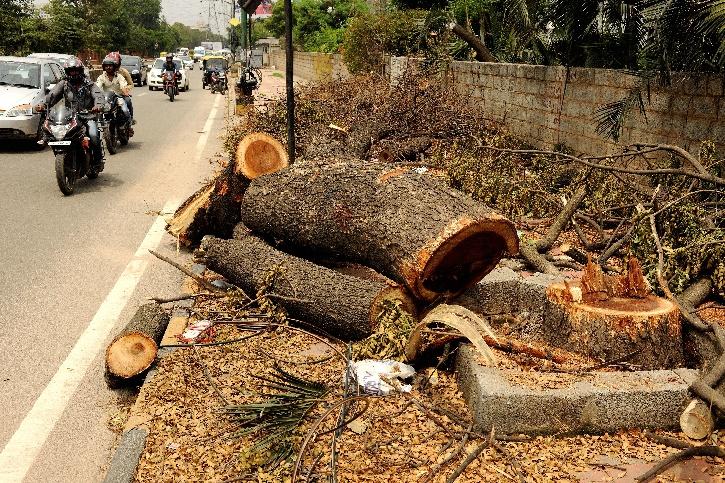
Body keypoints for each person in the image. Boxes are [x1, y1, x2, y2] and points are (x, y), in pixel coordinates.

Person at [39, 58, 105, 169]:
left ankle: (97, 161)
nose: (73, 73)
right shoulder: (64, 84)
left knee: (93, 135)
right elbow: (52, 96)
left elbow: (98, 96)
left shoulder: (89, 84)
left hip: (87, 116)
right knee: (55, 133)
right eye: (70, 71)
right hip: (70, 117)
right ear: (67, 72)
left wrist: (98, 105)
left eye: (75, 70)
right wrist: (43, 105)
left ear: (80, 71)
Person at [96, 53, 133, 134]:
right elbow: (97, 88)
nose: (108, 67)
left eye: (110, 66)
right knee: (98, 111)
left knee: (125, 110)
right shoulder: (101, 77)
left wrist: (125, 92)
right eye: (106, 66)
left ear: (114, 66)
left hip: (118, 97)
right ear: (104, 67)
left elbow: (124, 86)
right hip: (106, 99)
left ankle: (129, 125)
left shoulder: (120, 76)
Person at [111, 52, 135, 124]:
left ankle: (130, 120)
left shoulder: (124, 72)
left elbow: (131, 84)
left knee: (128, 101)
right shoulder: (105, 73)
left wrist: (125, 89)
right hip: (110, 96)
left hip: (122, 95)